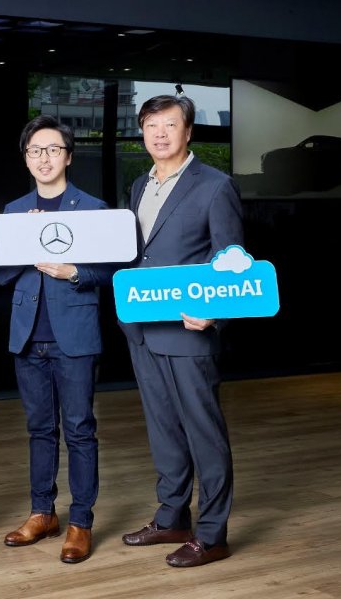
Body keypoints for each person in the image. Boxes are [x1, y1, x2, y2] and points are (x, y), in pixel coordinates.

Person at [118, 95, 244, 567]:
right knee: (164, 431)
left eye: (170, 125)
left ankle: (212, 535)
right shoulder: (139, 185)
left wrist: (214, 313)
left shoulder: (215, 186)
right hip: (144, 330)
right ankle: (172, 517)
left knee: (204, 434)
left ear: (188, 132)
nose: (160, 133)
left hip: (189, 332)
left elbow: (231, 259)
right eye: (151, 125)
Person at [0, 115, 115, 564]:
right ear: (26, 158)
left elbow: (112, 270)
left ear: (68, 156)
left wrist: (75, 272)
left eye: (52, 149)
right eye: (35, 151)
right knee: (39, 430)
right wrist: (24, 243)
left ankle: (81, 521)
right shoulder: (13, 211)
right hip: (28, 338)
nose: (43, 158)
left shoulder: (93, 208)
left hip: (75, 338)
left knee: (80, 429)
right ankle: (42, 513)